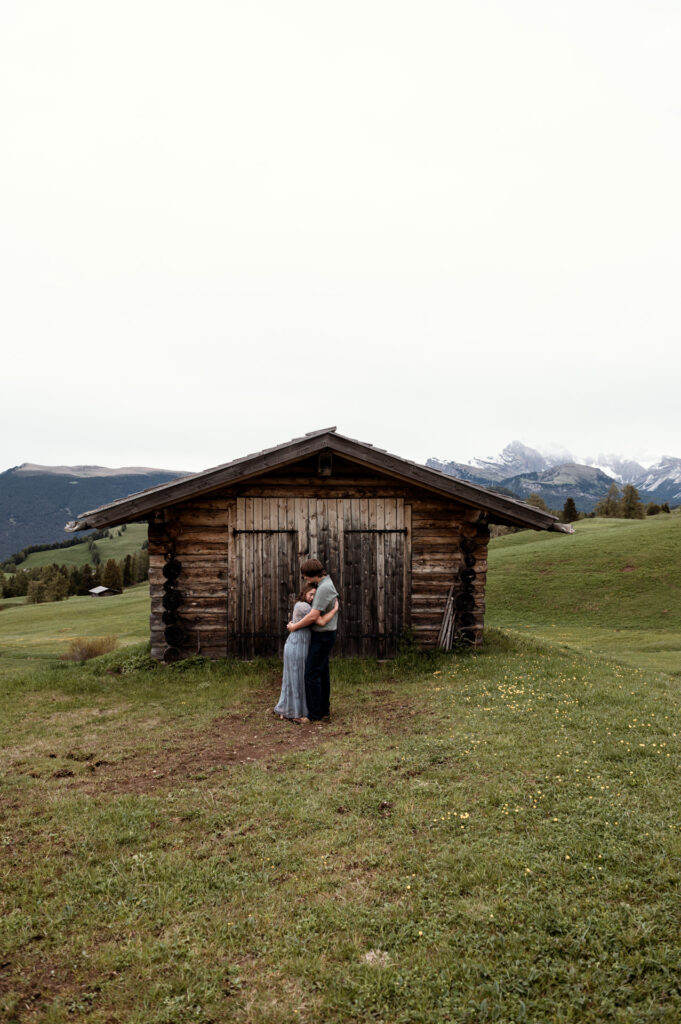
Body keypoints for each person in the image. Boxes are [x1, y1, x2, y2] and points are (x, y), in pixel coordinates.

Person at [272, 584, 338, 721]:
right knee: (296, 678)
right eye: (311, 594)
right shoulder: (304, 606)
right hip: (297, 645)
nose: (312, 597)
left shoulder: (307, 606)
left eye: (315, 595)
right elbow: (320, 621)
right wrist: (335, 609)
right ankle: (293, 710)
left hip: (302, 644)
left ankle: (299, 708)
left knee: (301, 677)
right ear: (304, 593)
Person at [287, 558, 339, 723]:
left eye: (305, 576)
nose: (305, 579)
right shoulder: (324, 584)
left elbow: (313, 617)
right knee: (322, 672)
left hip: (323, 635)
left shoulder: (324, 588)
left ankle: (314, 715)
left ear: (311, 574)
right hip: (324, 633)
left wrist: (294, 627)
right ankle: (323, 710)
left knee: (311, 673)